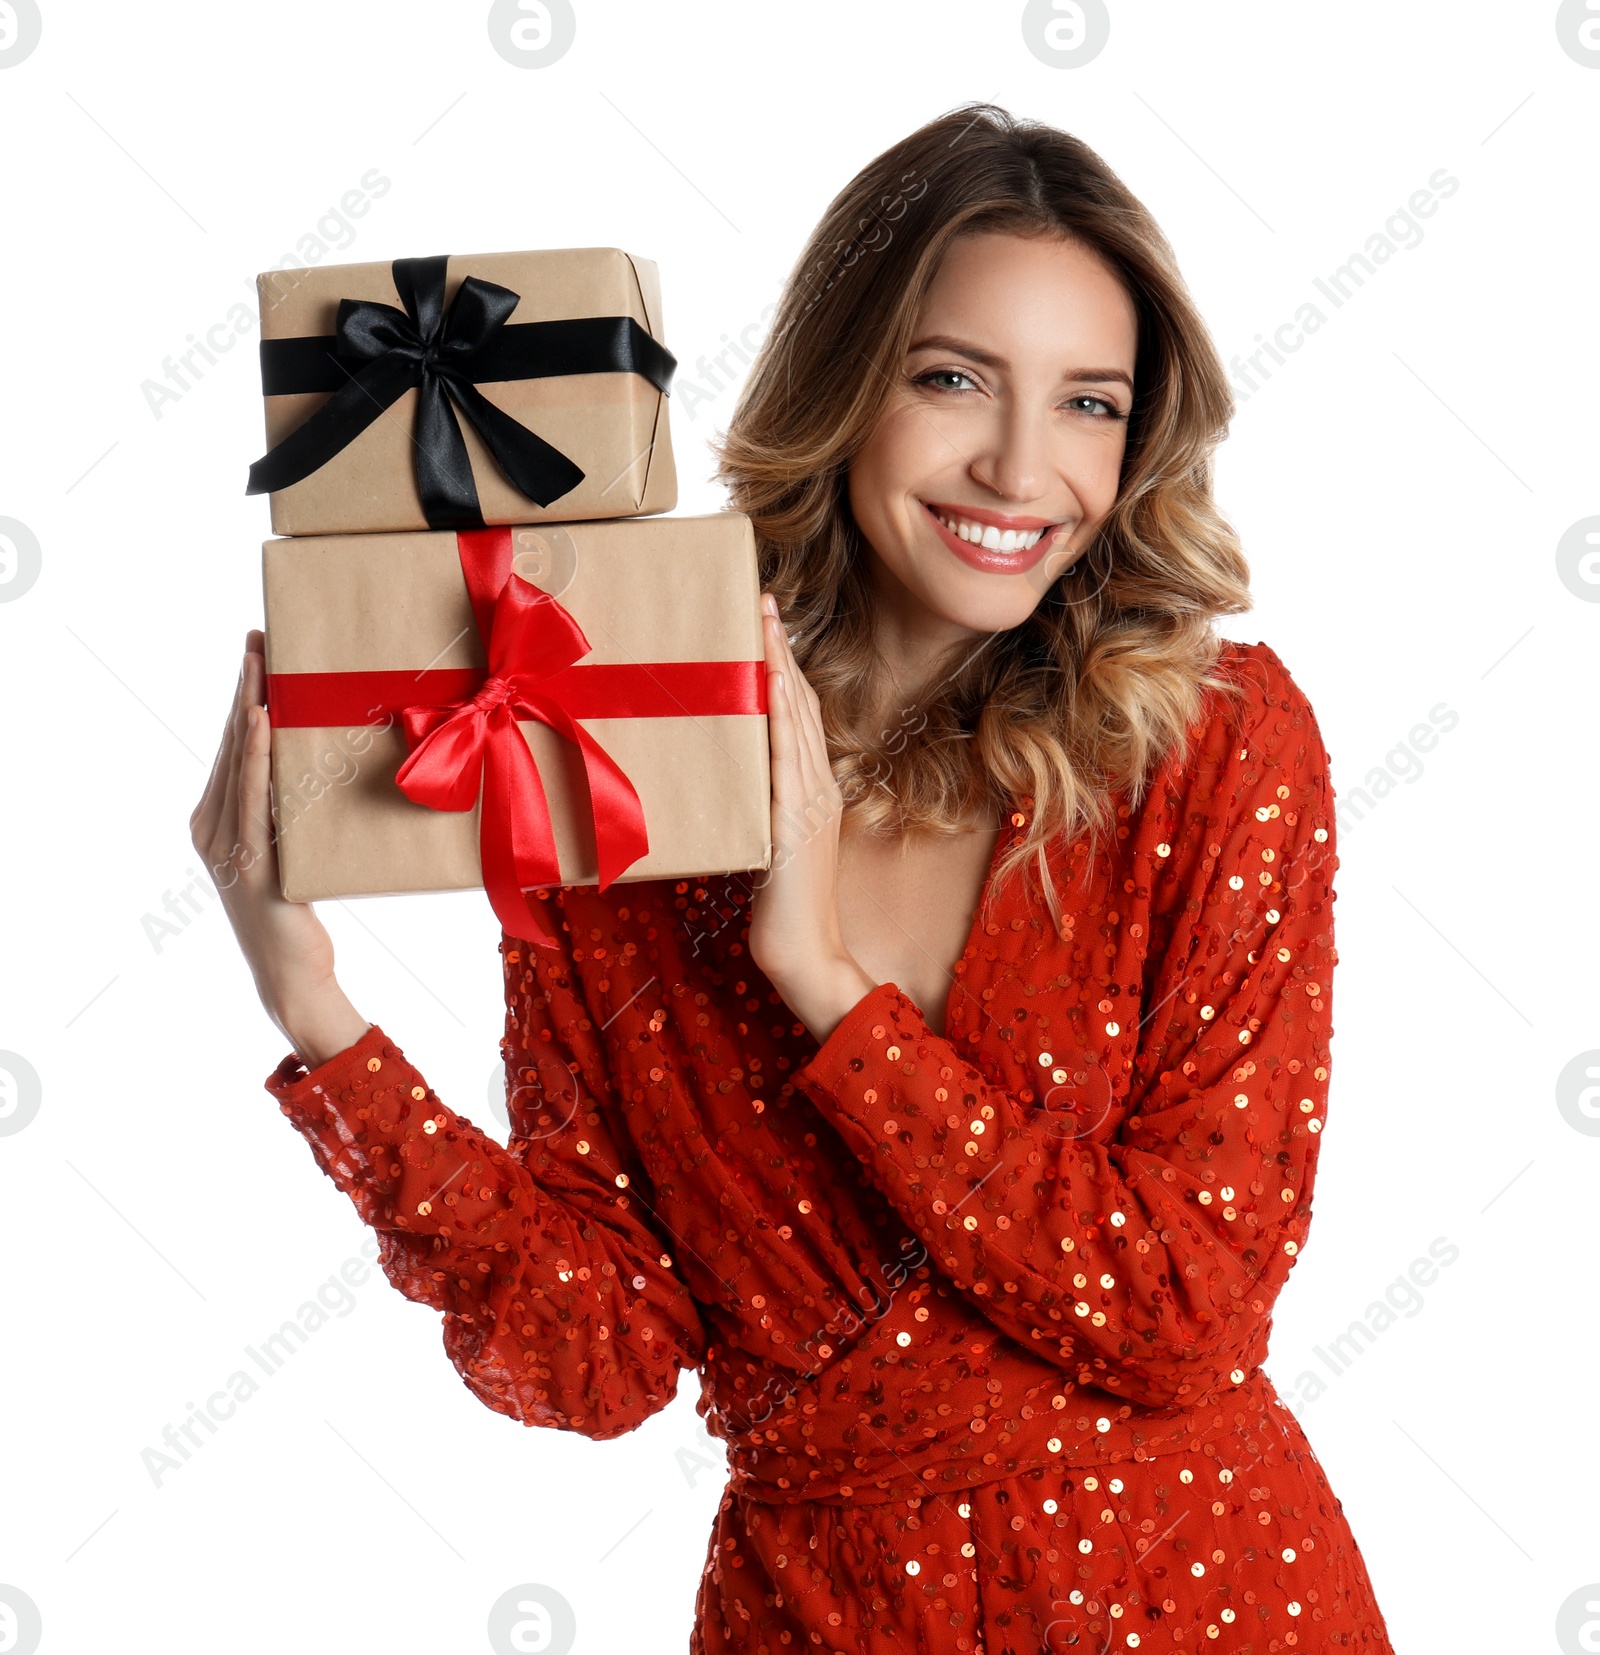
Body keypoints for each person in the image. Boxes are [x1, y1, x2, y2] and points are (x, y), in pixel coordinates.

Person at [193, 103, 1394, 1654]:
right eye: (952, 377)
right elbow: (595, 1360)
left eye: (1089, 403)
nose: (1022, 468)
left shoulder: (1218, 750)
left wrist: (822, 984)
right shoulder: (615, 768)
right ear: (844, 390)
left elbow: (1188, 1308)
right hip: (821, 1616)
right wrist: (321, 1018)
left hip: (1202, 1596)